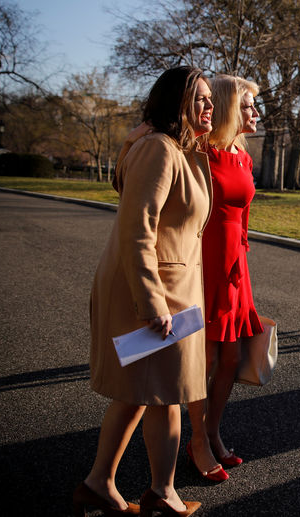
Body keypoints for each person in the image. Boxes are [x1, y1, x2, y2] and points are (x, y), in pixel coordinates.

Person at [73, 66, 213, 517]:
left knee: (138, 392)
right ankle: (163, 493)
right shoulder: (159, 148)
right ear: (176, 103)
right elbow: (138, 229)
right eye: (200, 99)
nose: (209, 107)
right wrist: (152, 302)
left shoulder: (176, 147)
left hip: (172, 292)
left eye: (211, 100)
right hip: (155, 294)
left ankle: (100, 483)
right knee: (167, 392)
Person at [185, 75, 263, 481]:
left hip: (236, 266)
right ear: (230, 106)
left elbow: (244, 219)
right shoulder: (199, 151)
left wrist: (241, 259)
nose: (255, 113)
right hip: (205, 263)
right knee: (208, 357)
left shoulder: (244, 157)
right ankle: (197, 440)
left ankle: (213, 431)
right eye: (249, 106)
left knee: (231, 358)